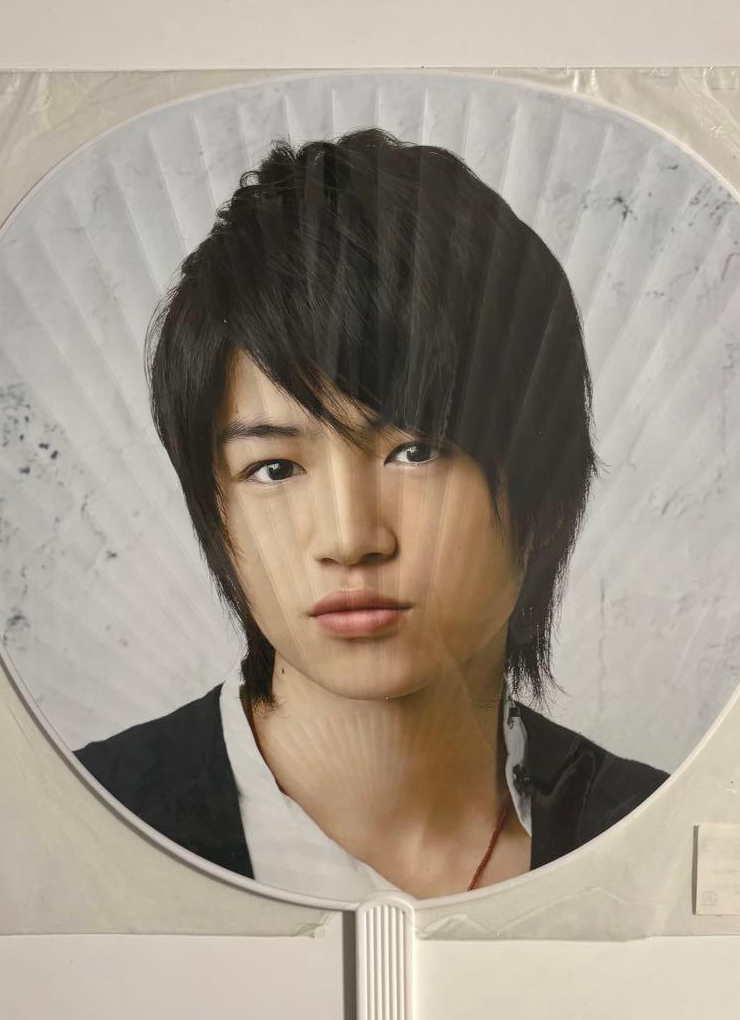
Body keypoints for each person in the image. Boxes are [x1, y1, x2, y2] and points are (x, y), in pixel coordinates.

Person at [75, 128, 666, 900]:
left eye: (417, 452)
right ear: (214, 509)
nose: (350, 538)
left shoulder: (660, 839)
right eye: (274, 468)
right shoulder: (81, 826)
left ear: (544, 489)